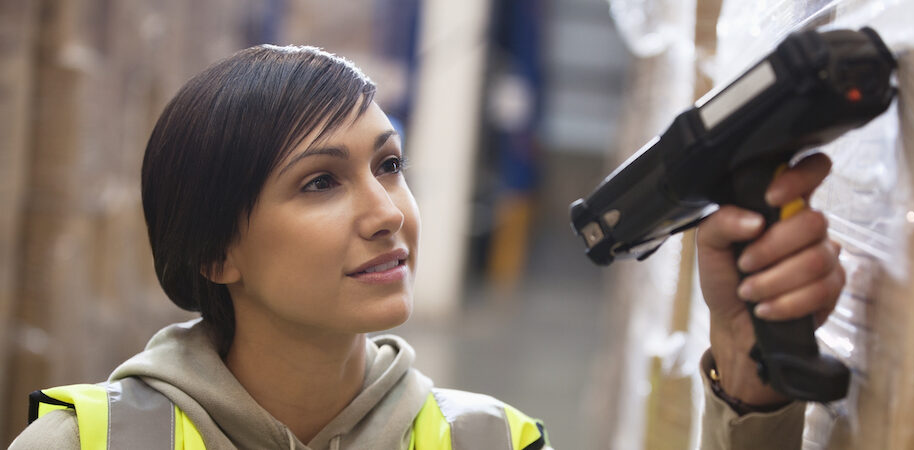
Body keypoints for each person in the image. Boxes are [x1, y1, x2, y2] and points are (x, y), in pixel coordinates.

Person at [10, 45, 843, 450]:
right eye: (319, 182)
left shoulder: (492, 444)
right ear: (216, 253)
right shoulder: (84, 445)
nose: (388, 213)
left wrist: (748, 386)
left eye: (389, 164)